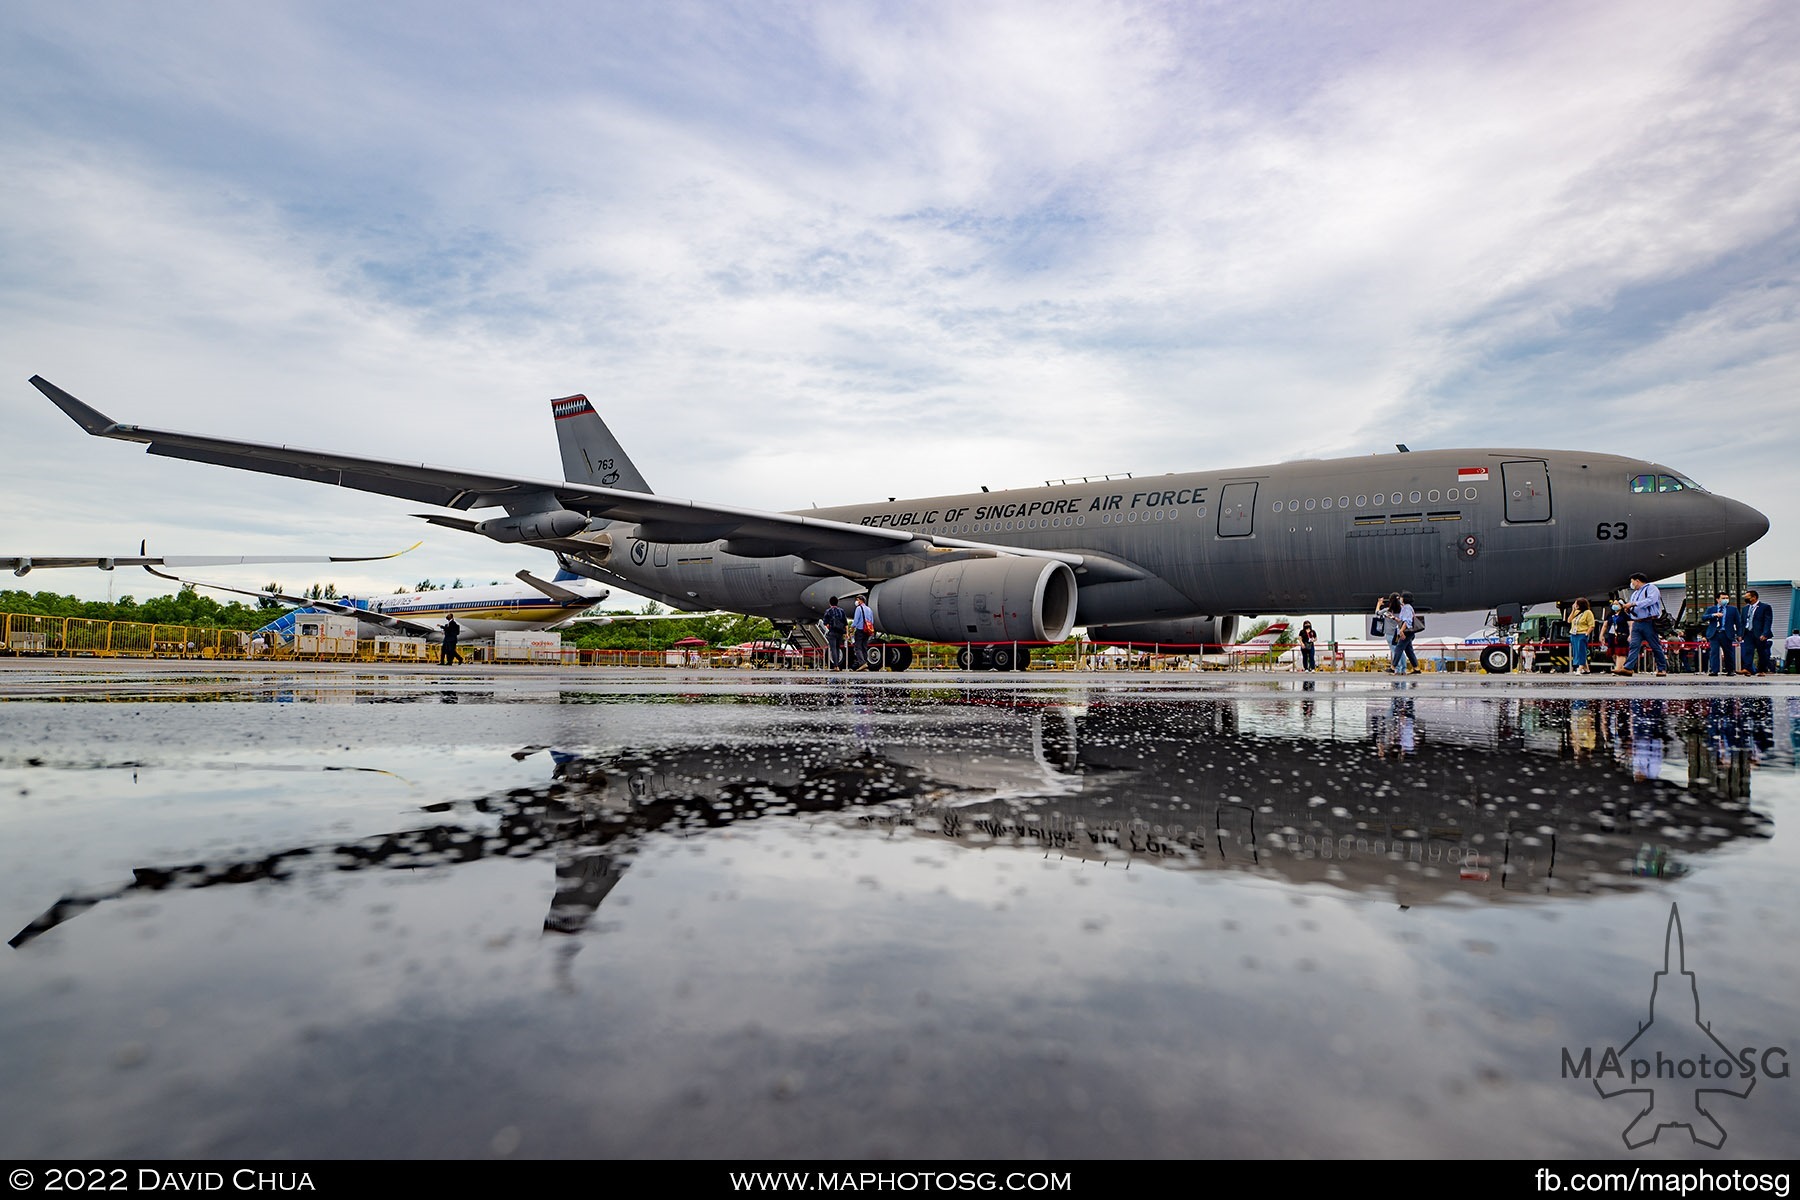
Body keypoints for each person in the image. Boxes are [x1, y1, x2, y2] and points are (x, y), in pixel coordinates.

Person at [1615, 572, 1668, 677]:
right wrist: (1628, 608)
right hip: (1637, 622)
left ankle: (1662, 668)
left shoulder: (1651, 588)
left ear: (1637, 581)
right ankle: (1628, 668)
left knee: (1655, 645)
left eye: (1632, 582)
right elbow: (1633, 606)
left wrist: (1634, 604)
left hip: (1649, 621)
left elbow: (1651, 600)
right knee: (1634, 645)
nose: (1632, 584)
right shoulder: (1635, 593)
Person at [1701, 591, 1740, 677]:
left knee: (1728, 652)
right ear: (1717, 599)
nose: (1725, 600)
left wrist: (1739, 634)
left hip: (1726, 633)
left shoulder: (1733, 609)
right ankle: (1714, 670)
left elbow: (1738, 622)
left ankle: (1730, 670)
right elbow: (1703, 618)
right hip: (1714, 633)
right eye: (1723, 598)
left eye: (1727, 598)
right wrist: (1713, 615)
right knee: (1714, 652)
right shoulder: (1711, 609)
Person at [1738, 589, 1774, 676]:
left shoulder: (1765, 607)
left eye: (1748, 597)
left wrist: (1765, 633)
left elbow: (1768, 621)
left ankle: (1762, 670)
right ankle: (1747, 669)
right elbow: (1742, 622)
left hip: (1759, 633)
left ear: (1754, 597)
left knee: (1761, 652)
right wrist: (1740, 634)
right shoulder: (1745, 609)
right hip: (1748, 633)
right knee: (1748, 651)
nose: (1746, 599)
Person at [1568, 597, 1594, 674]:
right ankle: (1586, 669)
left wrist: (1587, 633)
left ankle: (1579, 668)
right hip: (1574, 633)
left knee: (1581, 651)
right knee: (1577, 651)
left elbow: (1591, 625)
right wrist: (1573, 610)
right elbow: (1569, 620)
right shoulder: (1576, 612)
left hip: (1582, 633)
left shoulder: (1588, 612)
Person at [821, 596, 848, 670]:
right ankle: (837, 665)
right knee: (838, 648)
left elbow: (825, 623)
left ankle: (836, 666)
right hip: (840, 633)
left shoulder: (828, 611)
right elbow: (845, 623)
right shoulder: (841, 611)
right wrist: (846, 633)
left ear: (830, 603)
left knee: (833, 649)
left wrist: (829, 627)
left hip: (832, 632)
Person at [1397, 592, 1421, 673]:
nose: (1400, 598)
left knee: (1398, 648)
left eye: (1401, 597)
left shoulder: (1407, 608)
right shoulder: (1407, 607)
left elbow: (1407, 621)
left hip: (1407, 631)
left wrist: (1401, 631)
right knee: (1409, 650)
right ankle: (1416, 668)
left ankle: (1393, 667)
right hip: (1409, 631)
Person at [850, 596, 875, 671]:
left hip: (860, 630)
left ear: (861, 601)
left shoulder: (859, 608)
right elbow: (872, 621)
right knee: (864, 647)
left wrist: (852, 628)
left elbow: (856, 620)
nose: (856, 602)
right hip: (867, 631)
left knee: (858, 648)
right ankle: (865, 664)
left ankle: (862, 663)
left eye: (857, 600)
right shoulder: (869, 609)